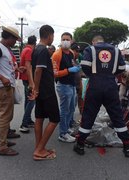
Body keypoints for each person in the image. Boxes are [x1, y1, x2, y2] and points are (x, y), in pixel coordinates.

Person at [73, 35, 129, 158]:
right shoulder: (115, 50)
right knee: (117, 117)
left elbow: (84, 66)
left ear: (94, 42)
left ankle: (80, 145)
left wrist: (94, 75)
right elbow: (122, 68)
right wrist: (110, 74)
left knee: (88, 116)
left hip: (95, 85)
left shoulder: (91, 49)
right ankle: (127, 147)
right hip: (111, 86)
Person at [0, 26, 22, 156]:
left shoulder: (6, 49)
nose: (15, 42)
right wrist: (2, 77)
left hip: (8, 85)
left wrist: (17, 70)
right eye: (14, 39)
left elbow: (4, 67)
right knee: (4, 116)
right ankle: (2, 146)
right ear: (9, 38)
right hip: (3, 86)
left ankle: (5, 138)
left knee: (8, 114)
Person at [31, 25, 59, 160]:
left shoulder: (36, 49)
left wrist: (35, 89)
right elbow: (38, 71)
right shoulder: (43, 50)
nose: (53, 38)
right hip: (46, 90)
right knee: (55, 119)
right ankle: (40, 149)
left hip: (41, 91)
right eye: (53, 36)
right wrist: (36, 89)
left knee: (39, 118)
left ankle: (39, 147)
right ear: (49, 35)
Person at [52, 32, 80, 143]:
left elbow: (72, 64)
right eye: (63, 39)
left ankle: (67, 128)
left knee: (72, 108)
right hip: (63, 86)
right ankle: (62, 134)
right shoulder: (57, 54)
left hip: (72, 85)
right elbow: (55, 73)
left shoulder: (71, 53)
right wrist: (68, 70)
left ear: (71, 41)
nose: (65, 41)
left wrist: (75, 67)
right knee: (64, 110)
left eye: (67, 39)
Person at [19, 35, 37, 133]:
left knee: (28, 100)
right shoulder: (29, 50)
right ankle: (24, 123)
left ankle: (28, 120)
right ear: (35, 43)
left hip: (25, 78)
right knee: (31, 100)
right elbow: (28, 66)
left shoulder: (25, 49)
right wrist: (31, 82)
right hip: (27, 79)